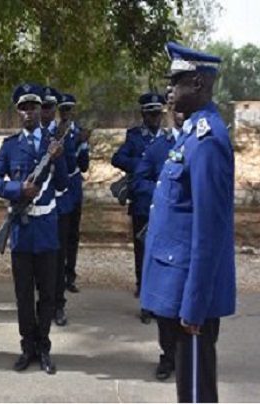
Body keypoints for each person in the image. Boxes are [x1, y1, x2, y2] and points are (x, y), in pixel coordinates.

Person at [141, 42, 235, 403]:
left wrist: (194, 305)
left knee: (196, 394)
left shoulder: (207, 140)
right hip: (174, 285)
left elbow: (210, 233)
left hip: (187, 295)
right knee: (188, 388)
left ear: (198, 83)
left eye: (177, 80)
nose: (170, 88)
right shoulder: (192, 132)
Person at [0, 83, 68, 374]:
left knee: (46, 293)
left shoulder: (54, 142)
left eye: (34, 106)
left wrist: (60, 157)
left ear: (40, 110)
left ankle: (43, 347)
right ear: (18, 112)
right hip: (21, 230)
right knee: (23, 294)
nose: (29, 112)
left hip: (46, 228)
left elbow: (63, 185)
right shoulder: (10, 146)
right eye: (24, 107)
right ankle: (26, 347)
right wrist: (18, 188)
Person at [134, 106, 184, 381]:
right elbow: (138, 180)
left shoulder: (203, 143)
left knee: (190, 298)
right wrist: (164, 192)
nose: (178, 113)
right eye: (173, 108)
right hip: (165, 231)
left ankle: (188, 356)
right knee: (166, 302)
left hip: (190, 233)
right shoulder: (157, 148)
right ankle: (167, 356)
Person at [111, 92, 165, 324]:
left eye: (158, 113)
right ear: (143, 114)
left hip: (164, 205)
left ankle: (159, 299)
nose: (155, 117)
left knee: (161, 254)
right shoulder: (134, 137)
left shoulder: (170, 138)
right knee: (142, 253)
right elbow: (117, 159)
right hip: (143, 203)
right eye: (151, 113)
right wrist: (144, 164)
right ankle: (145, 299)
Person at [40, 86, 75, 326]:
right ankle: (43, 306)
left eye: (51, 107)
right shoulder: (30, 134)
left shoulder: (64, 134)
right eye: (43, 107)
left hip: (60, 204)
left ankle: (58, 305)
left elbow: (73, 167)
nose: (47, 112)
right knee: (39, 260)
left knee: (59, 256)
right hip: (36, 207)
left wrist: (65, 144)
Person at [58, 93, 89, 295]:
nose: (65, 113)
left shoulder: (78, 131)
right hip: (60, 190)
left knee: (73, 235)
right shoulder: (53, 132)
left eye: (68, 109)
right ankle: (57, 275)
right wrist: (74, 142)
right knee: (59, 234)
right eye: (62, 109)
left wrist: (83, 144)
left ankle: (70, 275)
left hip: (75, 188)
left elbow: (84, 166)